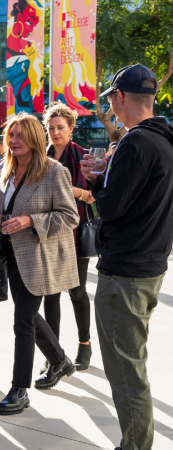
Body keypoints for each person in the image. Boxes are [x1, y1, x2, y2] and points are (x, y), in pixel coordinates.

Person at [81, 64, 173, 450]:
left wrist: (96, 183)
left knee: (125, 372)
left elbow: (112, 206)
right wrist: (107, 174)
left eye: (111, 100)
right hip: (149, 265)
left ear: (120, 97)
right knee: (131, 364)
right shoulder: (164, 139)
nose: (111, 109)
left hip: (126, 272)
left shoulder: (135, 142)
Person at [0, 112, 80, 416]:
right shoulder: (6, 169)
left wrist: (31, 220)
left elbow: (71, 216)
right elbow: (3, 211)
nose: (13, 141)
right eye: (10, 136)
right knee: (27, 316)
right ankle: (59, 360)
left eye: (19, 135)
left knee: (22, 320)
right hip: (12, 255)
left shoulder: (54, 171)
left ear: (33, 137)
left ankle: (19, 389)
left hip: (41, 258)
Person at [39, 103, 96, 372]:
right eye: (50, 128)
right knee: (50, 294)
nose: (55, 132)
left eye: (60, 127)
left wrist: (64, 187)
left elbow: (92, 195)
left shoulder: (82, 156)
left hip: (75, 230)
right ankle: (55, 354)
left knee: (77, 291)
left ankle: (84, 344)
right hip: (48, 230)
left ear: (71, 128)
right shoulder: (42, 157)